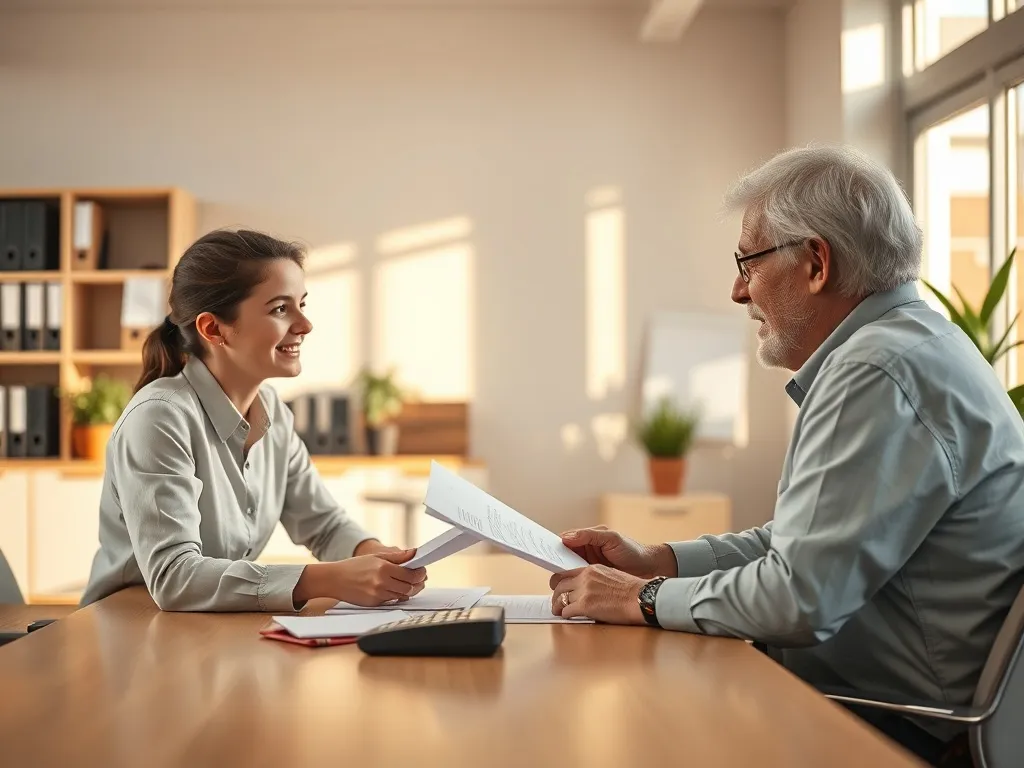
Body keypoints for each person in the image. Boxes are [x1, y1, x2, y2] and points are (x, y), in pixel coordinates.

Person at [549, 145, 1024, 766]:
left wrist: (639, 598)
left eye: (748, 261)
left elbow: (800, 597)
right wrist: (656, 560)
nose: (737, 290)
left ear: (817, 263)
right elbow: (805, 544)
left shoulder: (876, 371)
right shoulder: (912, 343)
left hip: (903, 731)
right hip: (887, 704)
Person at [81, 229, 427, 612]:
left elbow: (323, 524)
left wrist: (376, 555)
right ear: (213, 328)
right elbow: (174, 576)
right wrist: (329, 579)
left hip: (209, 633)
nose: (305, 325)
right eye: (280, 309)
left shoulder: (273, 412)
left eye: (302, 304)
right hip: (130, 630)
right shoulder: (159, 418)